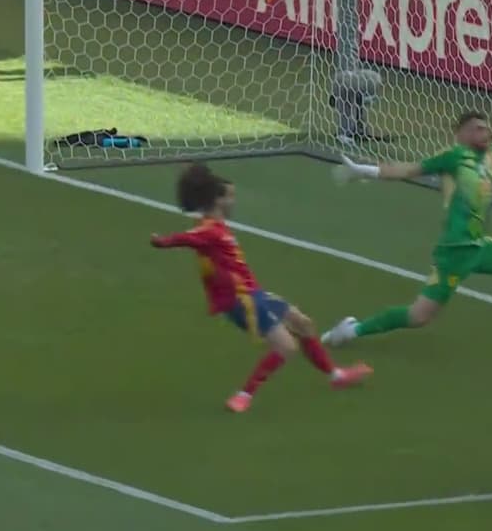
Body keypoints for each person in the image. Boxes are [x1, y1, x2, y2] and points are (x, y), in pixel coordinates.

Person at [324, 87, 492, 346]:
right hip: (454, 252)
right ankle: (351, 330)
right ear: (462, 134)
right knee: (418, 316)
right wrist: (364, 171)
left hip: (479, 246)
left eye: (486, 128)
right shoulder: (453, 157)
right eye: (477, 128)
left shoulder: (490, 156)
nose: (485, 132)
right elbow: (407, 170)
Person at [151, 163, 372, 413]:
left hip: (255, 294)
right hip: (242, 302)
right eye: (231, 196)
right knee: (286, 347)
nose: (234, 201)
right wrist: (163, 241)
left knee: (303, 324)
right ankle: (243, 395)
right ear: (218, 200)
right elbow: (187, 238)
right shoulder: (210, 230)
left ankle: (336, 376)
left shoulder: (216, 228)